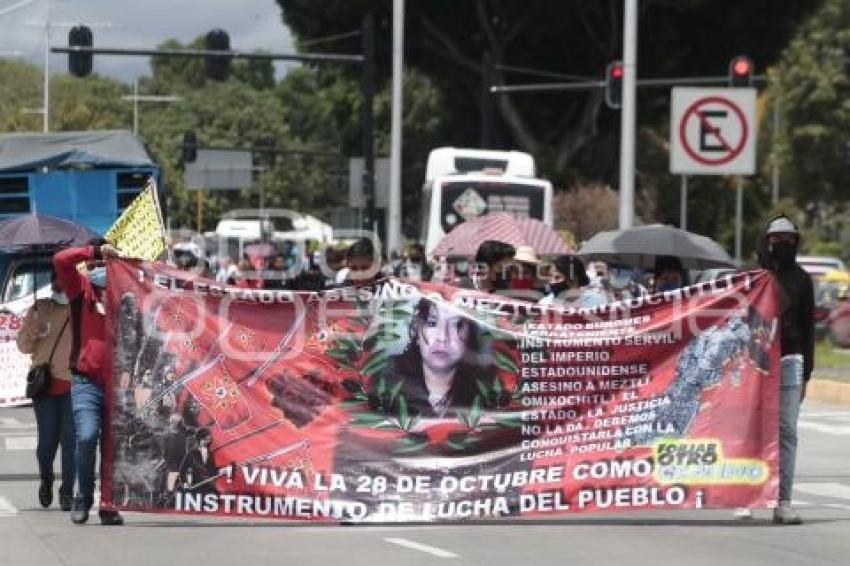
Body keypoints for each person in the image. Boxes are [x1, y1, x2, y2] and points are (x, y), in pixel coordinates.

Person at [735, 215, 814, 524]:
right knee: (750, 430)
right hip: (754, 361)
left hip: (791, 360)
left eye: (789, 240)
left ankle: (783, 501)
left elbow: (808, 329)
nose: (783, 245)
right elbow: (729, 317)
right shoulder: (748, 275)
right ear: (764, 241)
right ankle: (744, 496)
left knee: (787, 432)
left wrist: (808, 372)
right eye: (776, 240)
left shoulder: (802, 279)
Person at [53, 238, 124, 526]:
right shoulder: (79, 290)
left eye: (106, 264)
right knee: (86, 436)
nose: (100, 269)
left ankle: (108, 504)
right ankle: (83, 496)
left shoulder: (125, 294)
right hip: (86, 381)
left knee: (112, 446)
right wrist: (94, 251)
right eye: (96, 263)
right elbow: (60, 259)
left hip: (118, 384)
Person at [369, 298, 496, 418]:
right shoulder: (386, 378)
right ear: (417, 333)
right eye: (432, 323)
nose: (442, 338)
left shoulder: (487, 388)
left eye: (457, 325)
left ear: (470, 335)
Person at [16, 272, 75, 511]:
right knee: (47, 443)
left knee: (71, 442)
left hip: (73, 386)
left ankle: (68, 490)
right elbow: (22, 346)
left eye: (64, 279)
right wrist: (35, 331)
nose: (59, 285)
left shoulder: (81, 309)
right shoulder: (39, 309)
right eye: (56, 280)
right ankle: (46, 478)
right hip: (45, 386)